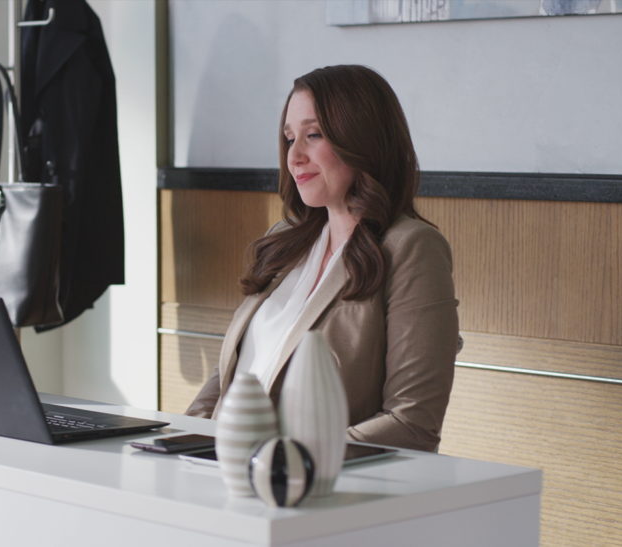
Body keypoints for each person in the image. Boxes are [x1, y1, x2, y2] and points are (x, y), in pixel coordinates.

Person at [184, 65, 460, 452]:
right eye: (289, 138)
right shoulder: (283, 240)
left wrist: (286, 461)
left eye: (313, 136)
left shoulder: (412, 248)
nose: (294, 156)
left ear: (362, 140)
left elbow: (412, 424)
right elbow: (235, 373)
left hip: (316, 490)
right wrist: (183, 440)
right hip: (222, 470)